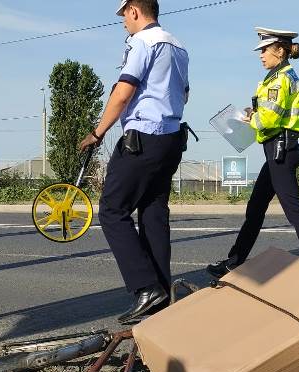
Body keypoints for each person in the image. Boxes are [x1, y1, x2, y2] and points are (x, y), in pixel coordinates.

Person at [78, 0, 190, 323]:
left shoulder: (142, 42)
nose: (123, 22)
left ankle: (145, 287)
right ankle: (161, 297)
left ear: (134, 11)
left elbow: (123, 93)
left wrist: (97, 132)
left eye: (124, 15)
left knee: (112, 209)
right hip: (171, 140)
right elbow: (184, 94)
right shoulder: (179, 47)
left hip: (143, 139)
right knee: (153, 214)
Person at [207, 27, 299, 278]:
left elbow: (270, 118)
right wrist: (253, 114)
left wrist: (249, 119)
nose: (260, 55)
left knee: (293, 210)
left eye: (264, 50)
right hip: (275, 150)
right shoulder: (275, 78)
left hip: (281, 150)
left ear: (280, 51)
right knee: (255, 208)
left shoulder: (281, 80)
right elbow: (269, 113)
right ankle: (234, 262)